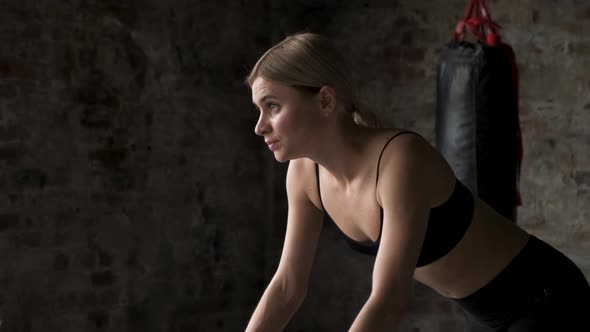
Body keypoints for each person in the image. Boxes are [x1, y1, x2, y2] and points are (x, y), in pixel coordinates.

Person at [243, 32, 590, 332]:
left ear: (325, 100)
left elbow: (388, 299)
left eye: (272, 106)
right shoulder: (305, 175)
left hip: (544, 297)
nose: (260, 126)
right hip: (485, 315)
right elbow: (288, 285)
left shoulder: (400, 160)